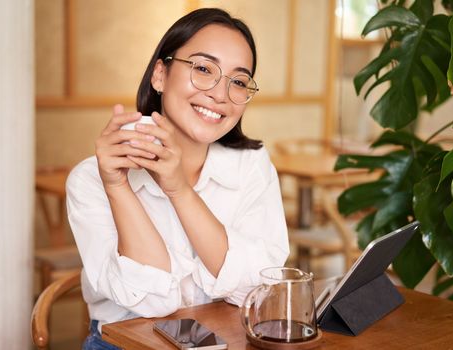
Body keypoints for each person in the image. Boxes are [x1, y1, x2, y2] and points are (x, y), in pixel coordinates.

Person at [66, 7, 289, 349]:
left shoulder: (251, 165)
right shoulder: (90, 179)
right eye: (202, 69)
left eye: (239, 82)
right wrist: (117, 186)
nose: (219, 94)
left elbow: (261, 289)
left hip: (228, 340)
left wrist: (180, 190)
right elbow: (153, 302)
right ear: (160, 74)